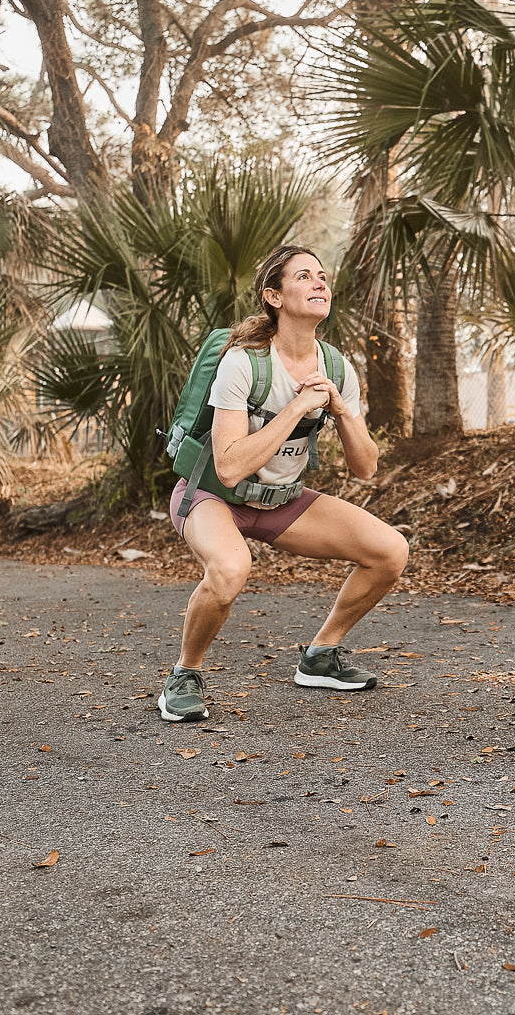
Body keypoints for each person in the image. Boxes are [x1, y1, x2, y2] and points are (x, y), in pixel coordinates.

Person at [158, 245, 409, 723]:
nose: (319, 283)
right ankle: (185, 675)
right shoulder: (244, 363)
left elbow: (366, 467)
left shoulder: (336, 367)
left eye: (322, 275)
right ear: (273, 296)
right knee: (231, 569)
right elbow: (230, 467)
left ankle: (321, 655)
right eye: (304, 276)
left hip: (280, 501)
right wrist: (296, 408)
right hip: (213, 496)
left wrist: (338, 409)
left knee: (390, 551)